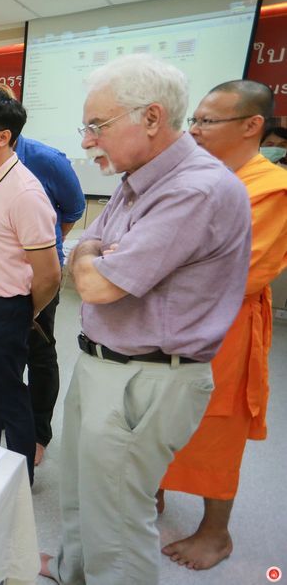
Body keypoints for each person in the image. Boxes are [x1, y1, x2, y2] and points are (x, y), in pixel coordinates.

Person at [40, 54, 252, 585]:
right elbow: (83, 244)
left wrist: (91, 256)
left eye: (98, 125)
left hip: (145, 376)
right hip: (103, 360)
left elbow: (94, 283)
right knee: (82, 492)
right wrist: (94, 252)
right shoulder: (137, 179)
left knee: (117, 519)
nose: (88, 141)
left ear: (152, 117)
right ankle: (72, 573)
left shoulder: (195, 188)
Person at [157, 80, 287, 570]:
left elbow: (240, 272)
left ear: (252, 125)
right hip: (167, 320)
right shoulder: (199, 174)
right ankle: (154, 490)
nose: (193, 130)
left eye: (207, 121)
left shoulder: (271, 188)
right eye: (193, 119)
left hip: (225, 330)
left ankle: (216, 533)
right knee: (159, 413)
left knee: (215, 428)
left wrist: (159, 264)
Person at [0, 85, 85, 467]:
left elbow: (49, 275)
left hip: (5, 307)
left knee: (10, 397)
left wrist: (24, 312)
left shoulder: (25, 193)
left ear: (3, 137)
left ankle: (18, 480)